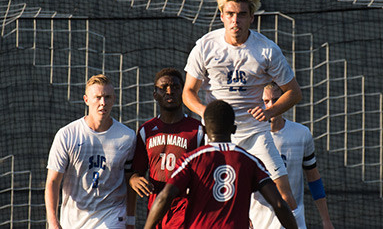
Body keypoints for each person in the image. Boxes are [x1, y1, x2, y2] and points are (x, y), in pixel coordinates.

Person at [183, 0, 306, 227]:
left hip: (256, 134)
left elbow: (294, 93)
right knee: (212, 199)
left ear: (252, 17)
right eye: (230, 14)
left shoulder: (267, 50)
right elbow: (188, 92)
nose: (235, 20)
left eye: (241, 14)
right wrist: (207, 113)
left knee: (285, 198)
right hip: (218, 137)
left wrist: (269, 111)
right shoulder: (205, 46)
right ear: (221, 15)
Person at [144, 100, 298, 229]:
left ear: (205, 129)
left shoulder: (190, 159)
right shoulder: (250, 162)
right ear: (234, 129)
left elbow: (165, 196)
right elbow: (279, 204)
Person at [45, 74, 136, 229]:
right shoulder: (67, 135)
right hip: (74, 219)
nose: (103, 103)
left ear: (114, 99)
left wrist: (130, 220)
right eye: (98, 97)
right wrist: (53, 222)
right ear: (86, 100)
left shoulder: (127, 137)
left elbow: (130, 180)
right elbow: (53, 181)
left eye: (107, 97)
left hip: (112, 215)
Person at [249, 82, 335, 229]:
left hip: (294, 221)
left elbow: (313, 177)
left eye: (276, 100)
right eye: (266, 101)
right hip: (259, 223)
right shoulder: (249, 138)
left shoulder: (301, 134)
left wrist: (326, 220)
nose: (270, 106)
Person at [128, 67, 204, 228]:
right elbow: (137, 172)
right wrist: (134, 180)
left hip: (186, 212)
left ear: (183, 93)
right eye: (163, 88)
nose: (169, 91)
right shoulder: (145, 131)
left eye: (175, 87)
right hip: (156, 211)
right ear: (155, 94)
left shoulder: (198, 130)